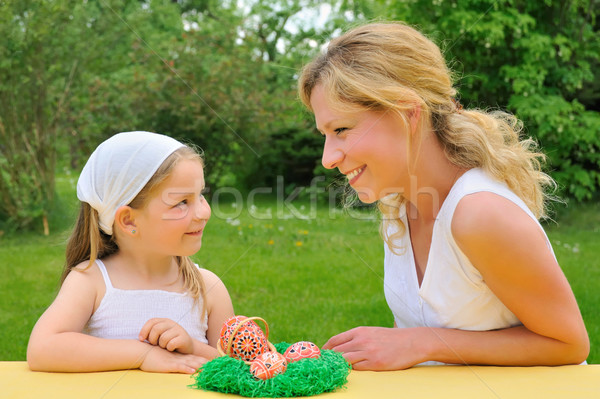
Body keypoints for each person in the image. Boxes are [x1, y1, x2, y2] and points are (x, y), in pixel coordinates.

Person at [298, 21, 589, 370]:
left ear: (408, 113)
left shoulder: (479, 213)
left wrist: (422, 343)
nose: (328, 158)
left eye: (342, 130)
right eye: (326, 135)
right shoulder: (401, 201)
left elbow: (568, 344)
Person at [27, 131, 234, 374]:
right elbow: (42, 349)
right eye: (181, 202)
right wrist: (143, 354)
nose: (203, 212)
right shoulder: (92, 282)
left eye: (200, 196)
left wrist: (193, 347)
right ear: (129, 221)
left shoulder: (208, 288)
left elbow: (239, 368)